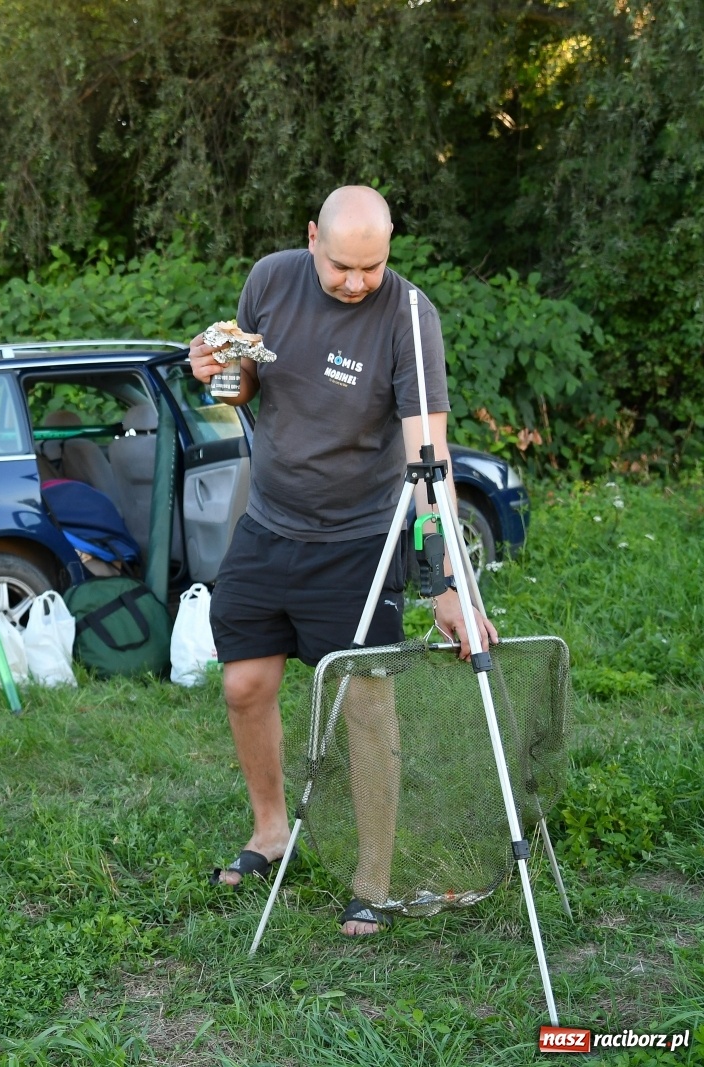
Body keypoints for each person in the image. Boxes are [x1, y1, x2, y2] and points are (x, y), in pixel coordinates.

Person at [188, 186, 497, 936]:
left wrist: (448, 581)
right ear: (310, 240)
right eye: (342, 268)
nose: (358, 282)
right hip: (269, 522)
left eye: (373, 265)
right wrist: (219, 370)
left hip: (358, 536)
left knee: (365, 701)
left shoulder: (409, 315)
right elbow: (247, 385)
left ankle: (373, 877)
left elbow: (428, 455)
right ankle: (270, 830)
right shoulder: (269, 279)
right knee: (244, 682)